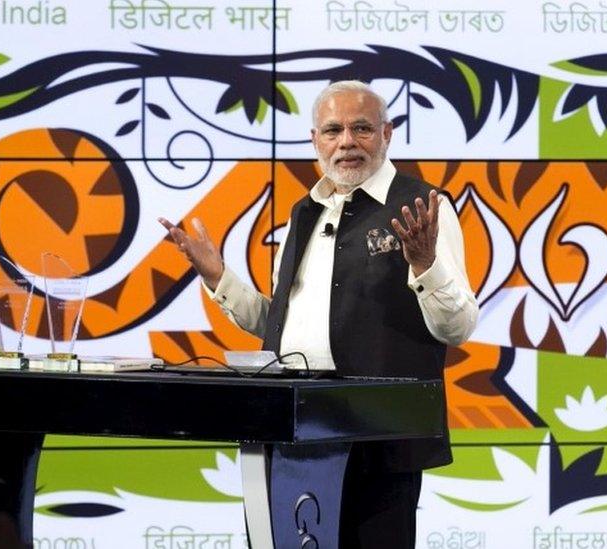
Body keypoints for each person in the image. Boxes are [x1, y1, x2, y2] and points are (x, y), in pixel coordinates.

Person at [159, 80, 478, 548]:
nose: (346, 141)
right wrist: (218, 277)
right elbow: (279, 325)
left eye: (362, 128)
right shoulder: (302, 214)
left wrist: (425, 265)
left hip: (379, 441)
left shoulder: (422, 208)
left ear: (387, 134)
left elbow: (459, 326)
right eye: (333, 130)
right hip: (293, 437)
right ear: (315, 141)